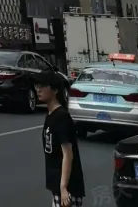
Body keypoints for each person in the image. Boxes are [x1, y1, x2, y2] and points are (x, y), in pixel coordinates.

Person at [36, 69, 85, 207]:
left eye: (43, 86)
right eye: (37, 86)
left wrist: (63, 187)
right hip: (58, 186)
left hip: (68, 189)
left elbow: (68, 154)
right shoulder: (51, 115)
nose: (38, 90)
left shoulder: (61, 117)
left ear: (55, 90)